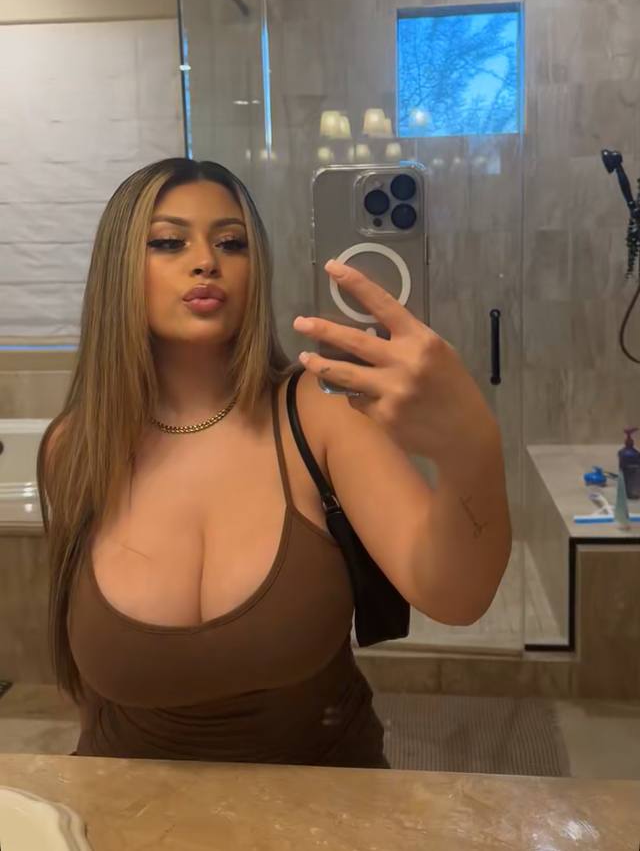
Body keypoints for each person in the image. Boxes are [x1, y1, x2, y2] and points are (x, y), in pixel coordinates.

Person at [38, 157, 511, 768]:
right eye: (169, 242)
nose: (206, 261)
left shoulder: (320, 412)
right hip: (127, 803)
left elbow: (456, 597)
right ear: (118, 267)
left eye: (231, 243)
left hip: (324, 804)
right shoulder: (75, 447)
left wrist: (470, 447)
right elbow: (90, 691)